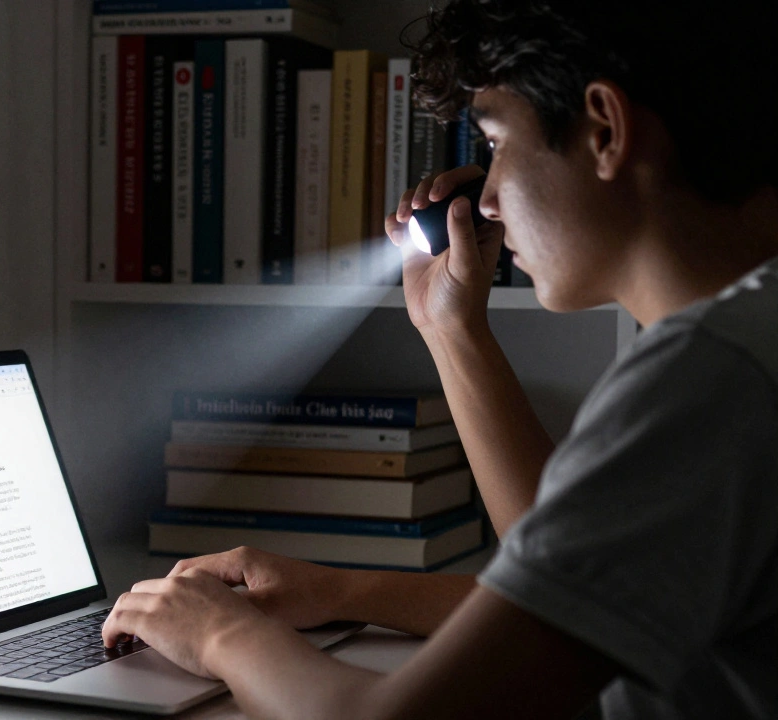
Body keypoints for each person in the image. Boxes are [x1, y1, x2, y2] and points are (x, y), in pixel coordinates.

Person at [100, 1, 778, 717]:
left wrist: (216, 632)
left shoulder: (711, 377)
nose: (485, 198)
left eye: (496, 146)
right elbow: (570, 576)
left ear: (604, 130)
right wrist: (450, 329)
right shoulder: (747, 343)